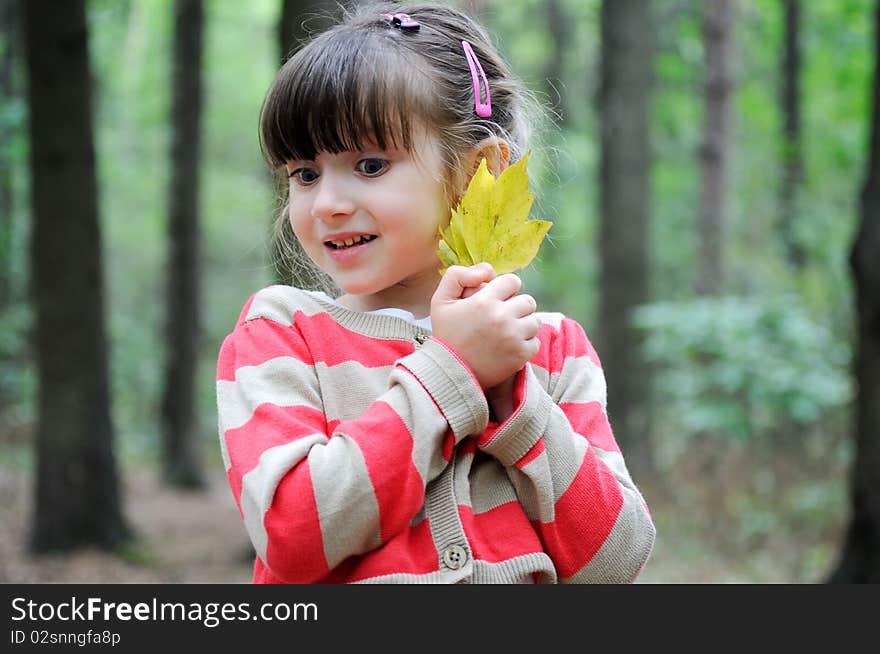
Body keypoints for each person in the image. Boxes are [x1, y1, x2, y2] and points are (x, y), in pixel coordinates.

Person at [216, 1, 655, 584]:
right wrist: (451, 372)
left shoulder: (549, 349)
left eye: (370, 164)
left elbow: (617, 562)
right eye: (305, 173)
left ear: (478, 171)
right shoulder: (281, 333)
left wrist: (514, 400)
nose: (327, 203)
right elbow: (292, 535)